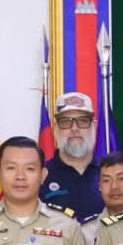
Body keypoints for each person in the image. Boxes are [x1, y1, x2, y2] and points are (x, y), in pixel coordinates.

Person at [40, 92, 104, 220]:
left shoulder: (109, 173)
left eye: (83, 121)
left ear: (94, 126)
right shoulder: (41, 176)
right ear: (55, 129)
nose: (74, 128)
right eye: (65, 122)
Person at [82, 151, 123, 245]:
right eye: (106, 180)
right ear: (99, 186)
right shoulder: (85, 233)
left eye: (122, 178)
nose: (114, 187)